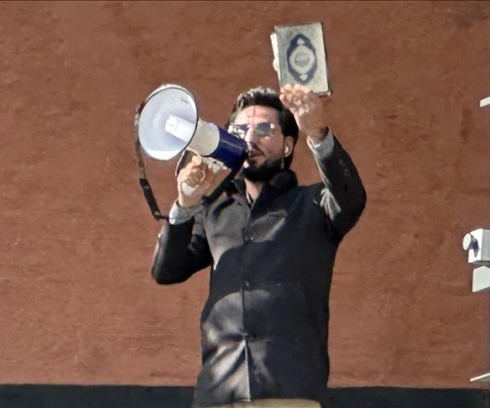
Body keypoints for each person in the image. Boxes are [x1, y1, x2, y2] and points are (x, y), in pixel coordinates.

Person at [150, 84, 367, 408]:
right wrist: (185, 203)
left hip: (289, 390)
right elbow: (166, 270)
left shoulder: (313, 204)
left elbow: (351, 198)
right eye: (240, 130)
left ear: (288, 145)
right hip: (220, 391)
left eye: (264, 129)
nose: (250, 138)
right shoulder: (216, 210)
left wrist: (318, 133)